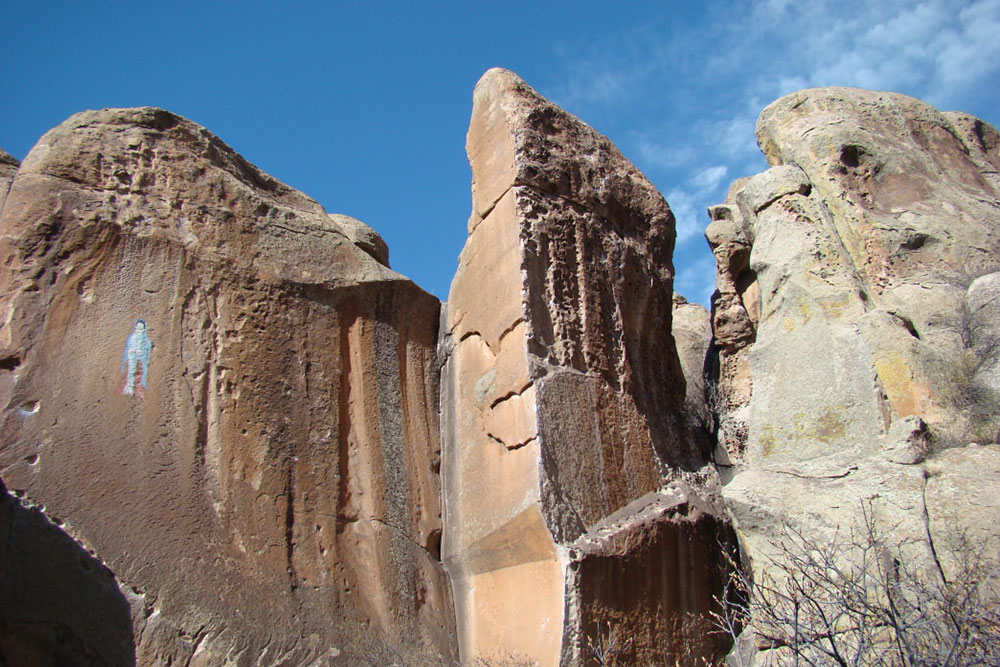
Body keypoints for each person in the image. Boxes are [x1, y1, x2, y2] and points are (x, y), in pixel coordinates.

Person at [121, 319, 153, 397]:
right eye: (138, 328)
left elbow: (148, 346)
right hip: (132, 356)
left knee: (141, 371)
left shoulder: (145, 339)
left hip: (141, 357)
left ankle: (139, 388)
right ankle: (129, 387)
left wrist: (142, 352)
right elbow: (128, 346)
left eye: (141, 329)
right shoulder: (132, 337)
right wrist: (132, 350)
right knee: (131, 370)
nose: (139, 331)